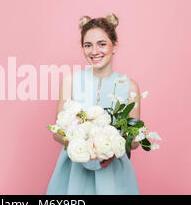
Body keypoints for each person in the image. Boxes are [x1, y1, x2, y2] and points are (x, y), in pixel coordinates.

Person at [46, 13, 141, 195]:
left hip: (114, 176)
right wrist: (81, 149)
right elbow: (57, 132)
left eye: (102, 44)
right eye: (88, 45)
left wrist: (111, 149)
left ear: (115, 46)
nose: (94, 51)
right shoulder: (71, 81)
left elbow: (135, 140)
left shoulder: (130, 87)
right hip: (74, 174)